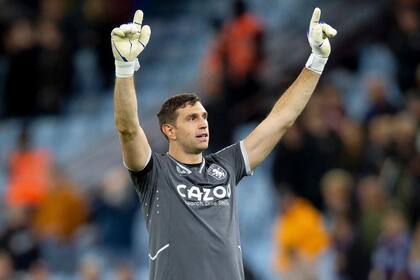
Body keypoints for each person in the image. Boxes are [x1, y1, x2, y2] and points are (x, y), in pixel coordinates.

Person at [111, 8, 336, 280]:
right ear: (169, 130)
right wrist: (124, 69)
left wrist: (316, 62)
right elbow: (128, 129)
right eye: (192, 118)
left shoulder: (226, 166)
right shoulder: (154, 174)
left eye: (204, 117)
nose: (203, 123)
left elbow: (281, 119)